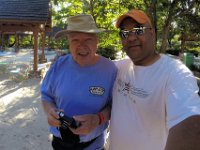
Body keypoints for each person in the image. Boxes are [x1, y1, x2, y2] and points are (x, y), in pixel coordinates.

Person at [109, 9, 200, 150]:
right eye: (125, 33)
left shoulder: (176, 73)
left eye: (138, 30)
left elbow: (190, 123)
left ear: (152, 32)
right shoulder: (120, 67)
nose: (131, 37)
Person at [40, 14, 117, 150]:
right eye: (75, 40)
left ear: (97, 41)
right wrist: (50, 111)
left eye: (88, 39)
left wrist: (98, 119)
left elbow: (116, 106)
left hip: (94, 146)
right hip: (60, 144)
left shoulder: (110, 69)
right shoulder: (59, 65)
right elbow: (46, 96)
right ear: (69, 43)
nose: (82, 46)